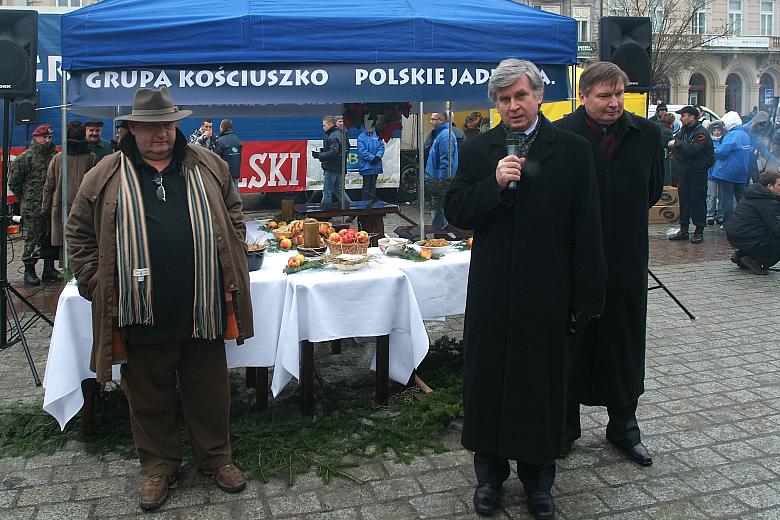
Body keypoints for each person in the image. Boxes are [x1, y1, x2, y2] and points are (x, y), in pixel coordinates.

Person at [65, 87, 253, 511]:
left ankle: (215, 459)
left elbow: (235, 214)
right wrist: (95, 282)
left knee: (209, 389)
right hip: (138, 308)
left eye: (167, 125)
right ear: (131, 129)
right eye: (150, 127)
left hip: (201, 303)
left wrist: (233, 252)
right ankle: (160, 467)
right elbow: (77, 234)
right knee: (148, 394)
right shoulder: (105, 174)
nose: (161, 134)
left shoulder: (209, 166)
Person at [444, 58, 607, 520]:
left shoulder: (571, 150)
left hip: (547, 291)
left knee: (541, 386)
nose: (513, 106)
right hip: (494, 291)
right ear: (494, 103)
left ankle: (539, 481)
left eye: (521, 95)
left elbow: (587, 226)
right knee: (489, 382)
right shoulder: (479, 150)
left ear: (539, 95)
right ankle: (489, 477)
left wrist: (587, 297)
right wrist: (494, 185)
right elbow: (456, 209)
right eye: (503, 98)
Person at [553, 61, 663, 468]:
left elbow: (652, 189)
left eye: (619, 94)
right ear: (584, 97)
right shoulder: (562, 134)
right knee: (571, 341)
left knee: (624, 341)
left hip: (625, 257)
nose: (614, 102)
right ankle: (564, 428)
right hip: (573, 259)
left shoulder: (647, 135)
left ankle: (624, 427)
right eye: (604, 96)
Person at [41, 121, 97, 277]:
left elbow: (49, 185)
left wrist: (45, 208)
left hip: (60, 208)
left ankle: (67, 276)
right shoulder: (92, 158)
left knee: (64, 245)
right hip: (85, 208)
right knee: (84, 241)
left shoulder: (58, 158)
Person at [8, 123, 57, 286]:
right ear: (35, 138)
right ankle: (29, 270)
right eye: (44, 137)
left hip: (51, 205)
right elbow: (14, 183)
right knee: (32, 239)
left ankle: (49, 269)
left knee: (50, 237)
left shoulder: (54, 157)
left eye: (50, 137)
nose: (47, 140)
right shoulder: (25, 158)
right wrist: (26, 198)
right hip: (32, 206)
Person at [668, 105, 714, 244]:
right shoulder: (682, 132)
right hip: (684, 172)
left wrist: (677, 144)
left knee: (697, 201)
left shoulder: (701, 133)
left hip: (698, 173)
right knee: (684, 200)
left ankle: (699, 230)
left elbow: (693, 149)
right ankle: (683, 229)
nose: (681, 119)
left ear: (692, 117)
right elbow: (676, 151)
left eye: (683, 116)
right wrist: (678, 148)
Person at [726, 171, 780, 275]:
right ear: (770, 186)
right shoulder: (768, 201)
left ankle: (741, 256)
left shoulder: (755, 194)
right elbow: (776, 227)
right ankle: (757, 261)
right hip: (748, 236)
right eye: (779, 185)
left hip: (736, 235)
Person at [710, 112, 752, 225]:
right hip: (742, 172)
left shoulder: (732, 135)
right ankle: (745, 220)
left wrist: (712, 148)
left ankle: (728, 223)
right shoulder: (745, 135)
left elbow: (721, 152)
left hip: (727, 172)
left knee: (727, 198)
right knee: (740, 198)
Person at [426, 112, 459, 229]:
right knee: (438, 211)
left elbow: (445, 161)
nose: (431, 122)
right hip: (437, 181)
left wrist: (441, 183)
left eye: (433, 119)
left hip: (439, 183)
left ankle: (441, 237)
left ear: (441, 120)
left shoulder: (445, 136)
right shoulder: (441, 134)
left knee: (439, 212)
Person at [313, 115, 352, 206]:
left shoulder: (332, 136)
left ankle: (324, 213)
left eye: (324, 125)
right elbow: (343, 149)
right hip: (340, 166)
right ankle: (350, 207)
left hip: (332, 166)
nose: (323, 128)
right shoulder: (341, 133)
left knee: (327, 191)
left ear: (330, 125)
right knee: (339, 189)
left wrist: (320, 155)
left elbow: (333, 152)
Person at [357, 120, 384, 200]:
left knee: (373, 186)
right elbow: (362, 151)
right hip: (366, 166)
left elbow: (381, 147)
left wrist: (378, 157)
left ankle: (373, 206)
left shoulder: (378, 135)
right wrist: (372, 158)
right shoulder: (361, 137)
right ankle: (365, 206)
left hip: (376, 166)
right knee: (366, 186)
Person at [213, 119, 243, 190]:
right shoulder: (237, 140)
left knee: (226, 196)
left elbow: (215, 156)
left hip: (225, 174)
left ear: (222, 128)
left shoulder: (220, 141)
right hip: (236, 173)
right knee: (235, 194)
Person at [706, 121, 725, 226]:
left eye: (719, 130)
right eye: (715, 130)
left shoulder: (724, 141)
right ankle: (710, 215)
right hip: (711, 172)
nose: (717, 132)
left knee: (721, 196)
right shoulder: (709, 142)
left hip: (722, 173)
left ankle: (720, 215)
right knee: (711, 195)